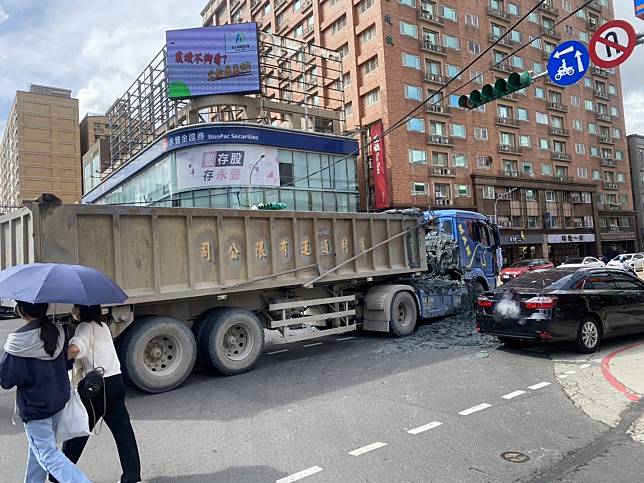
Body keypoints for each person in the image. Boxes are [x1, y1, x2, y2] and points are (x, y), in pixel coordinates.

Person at [0, 300, 91, 483]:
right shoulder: (57, 330)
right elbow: (65, 363)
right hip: (58, 402)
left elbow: (6, 380)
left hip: (37, 408)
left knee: (47, 454)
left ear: (21, 310)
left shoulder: (18, 341)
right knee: (38, 452)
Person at [54, 305, 141, 483]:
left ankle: (59, 474)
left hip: (97, 387)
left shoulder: (85, 327)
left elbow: (77, 348)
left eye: (75, 308)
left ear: (83, 310)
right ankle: (132, 477)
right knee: (123, 432)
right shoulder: (103, 326)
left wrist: (56, 357)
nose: (73, 311)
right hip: (116, 381)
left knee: (78, 431)